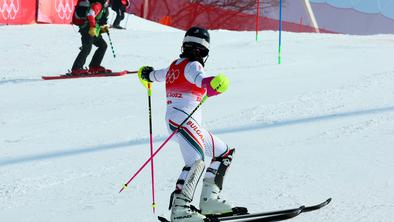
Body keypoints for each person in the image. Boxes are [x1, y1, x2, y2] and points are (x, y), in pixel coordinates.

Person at [138, 27, 247, 222]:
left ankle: (209, 201)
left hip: (182, 120)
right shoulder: (194, 66)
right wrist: (214, 83)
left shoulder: (175, 65)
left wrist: (147, 74)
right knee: (195, 162)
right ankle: (180, 209)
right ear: (204, 51)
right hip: (184, 120)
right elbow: (201, 81)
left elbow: (155, 75)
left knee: (223, 153)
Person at [71, 0, 112, 75]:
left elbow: (99, 19)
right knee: (87, 48)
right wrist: (93, 26)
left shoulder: (103, 6)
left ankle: (94, 66)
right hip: (87, 29)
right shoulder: (98, 5)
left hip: (92, 30)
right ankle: (76, 68)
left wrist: (102, 27)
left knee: (103, 46)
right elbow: (90, 15)